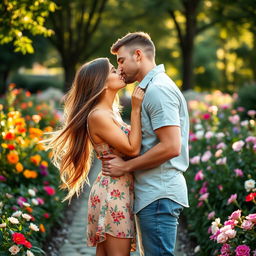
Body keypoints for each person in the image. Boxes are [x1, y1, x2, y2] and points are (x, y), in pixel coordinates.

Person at [44, 57, 144, 256]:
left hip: (118, 190)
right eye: (113, 70)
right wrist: (136, 108)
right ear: (101, 82)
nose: (120, 72)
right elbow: (132, 149)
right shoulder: (98, 115)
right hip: (112, 194)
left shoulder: (109, 112)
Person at [102, 32, 190, 256]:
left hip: (159, 194)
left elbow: (171, 146)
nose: (119, 67)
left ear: (138, 55)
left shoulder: (158, 90)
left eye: (121, 60)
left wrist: (126, 166)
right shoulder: (147, 90)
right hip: (152, 195)